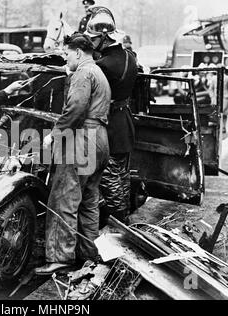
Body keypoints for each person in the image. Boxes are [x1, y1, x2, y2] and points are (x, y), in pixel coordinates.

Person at [35, 33, 110, 275]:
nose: (66, 59)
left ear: (78, 52)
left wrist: (54, 134)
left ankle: (60, 258)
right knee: (88, 200)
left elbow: (76, 108)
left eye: (67, 54)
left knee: (63, 199)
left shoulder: (83, 73)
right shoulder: (98, 73)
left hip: (82, 138)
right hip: (100, 139)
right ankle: (89, 253)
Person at [85, 6, 138, 223]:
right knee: (122, 176)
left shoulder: (102, 65)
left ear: (103, 38)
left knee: (109, 178)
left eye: (93, 39)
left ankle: (119, 224)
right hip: (125, 121)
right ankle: (125, 217)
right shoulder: (129, 57)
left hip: (110, 126)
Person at [209, 67, 228, 134]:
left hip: (225, 98)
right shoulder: (214, 78)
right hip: (216, 98)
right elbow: (211, 89)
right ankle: (218, 126)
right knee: (217, 113)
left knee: (224, 113)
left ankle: (223, 127)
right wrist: (212, 97)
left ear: (224, 70)